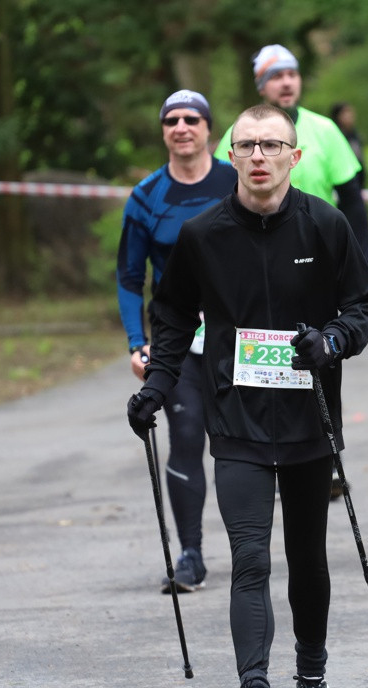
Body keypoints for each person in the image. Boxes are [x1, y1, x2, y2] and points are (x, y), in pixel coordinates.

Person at [128, 103, 368, 688]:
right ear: (231, 156)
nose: (260, 156)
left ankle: (313, 679)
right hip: (235, 421)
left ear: (295, 157)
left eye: (273, 145)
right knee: (247, 557)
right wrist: (157, 386)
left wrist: (331, 340)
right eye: (248, 146)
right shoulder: (203, 234)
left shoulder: (325, 225)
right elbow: (175, 316)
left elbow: (361, 306)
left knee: (305, 556)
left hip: (308, 420)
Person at [116, 90, 237, 593]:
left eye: (192, 119)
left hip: (239, 337)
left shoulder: (237, 182)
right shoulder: (146, 197)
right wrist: (135, 342)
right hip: (177, 341)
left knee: (240, 445)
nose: (181, 127)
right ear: (163, 131)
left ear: (210, 129)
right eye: (171, 120)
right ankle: (190, 556)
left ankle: (250, 551)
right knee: (185, 440)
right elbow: (129, 278)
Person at [215, 44, 368, 308]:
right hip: (256, 258)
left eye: (292, 75)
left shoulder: (326, 130)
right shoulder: (238, 134)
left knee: (322, 343)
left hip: (319, 255)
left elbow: (353, 204)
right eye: (276, 76)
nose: (286, 83)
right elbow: (219, 207)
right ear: (261, 86)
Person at [329, 101, 366, 188]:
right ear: (337, 116)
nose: (349, 116)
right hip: (341, 180)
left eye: (350, 112)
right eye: (345, 113)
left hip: (358, 178)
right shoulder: (333, 134)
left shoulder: (355, 135)